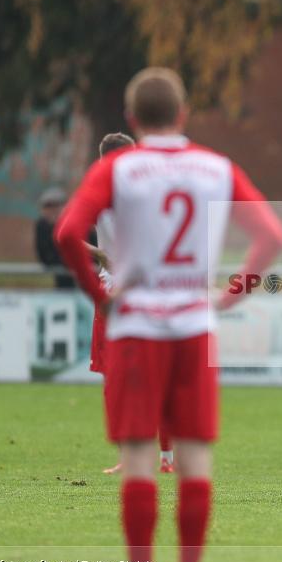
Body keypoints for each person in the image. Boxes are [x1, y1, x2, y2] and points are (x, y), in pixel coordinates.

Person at [55, 67, 282, 562]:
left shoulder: (118, 169)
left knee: (138, 458)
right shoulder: (214, 167)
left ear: (133, 119)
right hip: (192, 325)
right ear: (183, 114)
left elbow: (68, 231)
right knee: (194, 458)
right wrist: (231, 294)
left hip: (136, 327)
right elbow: (270, 234)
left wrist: (101, 295)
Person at [84, 132, 175, 476]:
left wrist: (98, 255)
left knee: (117, 378)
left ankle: (132, 457)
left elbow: (64, 235)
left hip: (115, 295)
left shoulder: (98, 191)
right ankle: (166, 457)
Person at [35, 188, 76, 289]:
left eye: (56, 206)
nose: (53, 210)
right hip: (58, 266)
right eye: (48, 206)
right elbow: (43, 253)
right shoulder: (42, 225)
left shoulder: (72, 222)